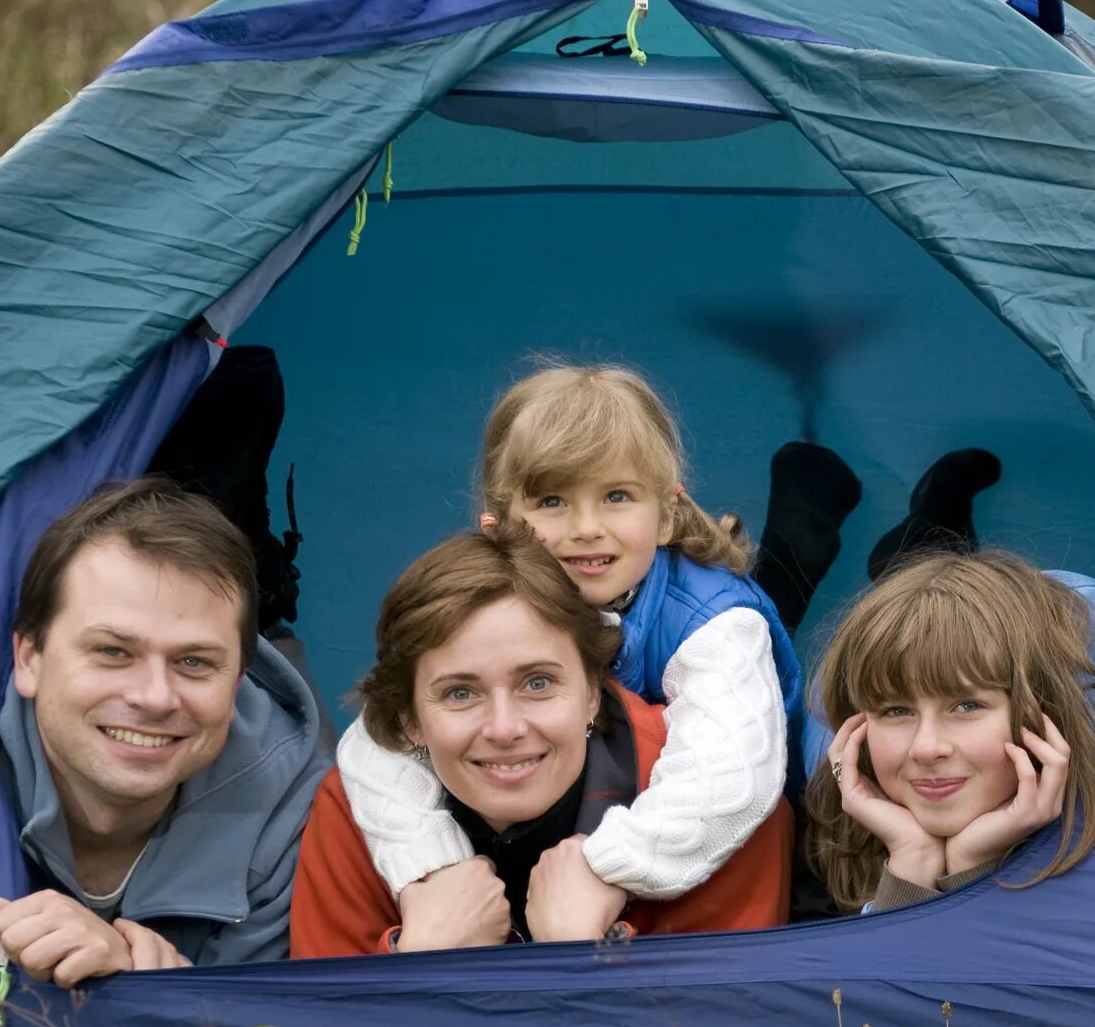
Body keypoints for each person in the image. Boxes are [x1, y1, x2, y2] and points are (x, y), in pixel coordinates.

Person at [333, 363, 803, 915]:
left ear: (667, 517)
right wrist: (434, 872)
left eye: (617, 496)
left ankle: (803, 530)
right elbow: (378, 740)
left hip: (754, 842)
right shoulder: (485, 602)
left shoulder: (716, 624)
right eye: (552, 501)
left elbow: (729, 781)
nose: (585, 527)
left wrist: (603, 865)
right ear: (498, 525)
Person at [290, 529, 792, 955]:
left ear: (593, 692)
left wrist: (588, 953)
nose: (505, 729)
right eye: (460, 693)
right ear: (411, 720)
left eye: (537, 683)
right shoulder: (353, 810)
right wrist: (420, 955)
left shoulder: (718, 803)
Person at [0, 479, 330, 986]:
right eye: (113, 652)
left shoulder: (298, 817)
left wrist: (155, 993)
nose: (155, 697)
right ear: (29, 659)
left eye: (193, 662)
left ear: (236, 683)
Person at [804, 551, 1095, 912]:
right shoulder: (825, 848)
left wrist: (972, 865)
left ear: (1044, 716)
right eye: (896, 711)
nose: (925, 748)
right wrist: (912, 864)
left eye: (967, 706)